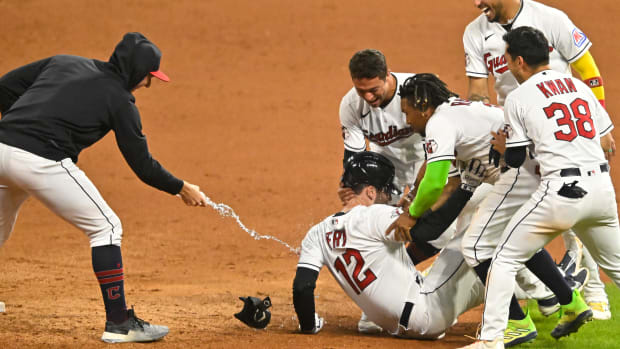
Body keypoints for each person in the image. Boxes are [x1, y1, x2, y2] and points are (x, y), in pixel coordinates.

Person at [0, 32, 207, 343]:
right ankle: (119, 322)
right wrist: (181, 187)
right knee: (106, 228)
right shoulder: (121, 102)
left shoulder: (64, 62)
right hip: (41, 161)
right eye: (148, 78)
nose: (146, 85)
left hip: (2, 148)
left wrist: (25, 125)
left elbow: (4, 88)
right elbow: (142, 165)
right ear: (138, 73)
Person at [396, 74, 587, 348]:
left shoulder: (440, 123)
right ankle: (572, 302)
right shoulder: (457, 116)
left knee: (475, 246)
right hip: (542, 170)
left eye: (408, 112)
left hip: (527, 172)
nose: (408, 121)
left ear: (423, 106)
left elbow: (434, 182)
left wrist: (411, 214)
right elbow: (449, 187)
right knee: (517, 241)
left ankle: (518, 322)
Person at [460, 27, 620, 349]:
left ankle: (492, 341)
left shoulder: (519, 97)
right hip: (602, 190)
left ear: (520, 61)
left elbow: (517, 160)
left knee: (503, 258)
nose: (506, 67)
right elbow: (606, 139)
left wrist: (505, 148)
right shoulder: (577, 86)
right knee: (617, 267)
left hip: (562, 192)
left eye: (507, 61)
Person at [293, 151, 487, 339]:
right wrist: (467, 187)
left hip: (400, 326)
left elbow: (303, 287)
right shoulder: (372, 216)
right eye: (386, 191)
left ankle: (512, 297)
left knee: (486, 283)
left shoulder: (316, 234)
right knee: (480, 230)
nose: (389, 198)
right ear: (370, 192)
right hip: (427, 309)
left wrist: (309, 325)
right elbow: (430, 231)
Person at [339, 48, 460, 333]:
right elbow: (354, 157)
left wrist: (417, 191)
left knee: (442, 234)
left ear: (387, 75)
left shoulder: (417, 90)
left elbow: (451, 123)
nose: (368, 97)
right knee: (377, 232)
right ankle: (377, 307)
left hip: (431, 167)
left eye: (373, 89)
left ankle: (418, 284)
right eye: (361, 90)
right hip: (388, 174)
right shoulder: (351, 105)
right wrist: (355, 191)